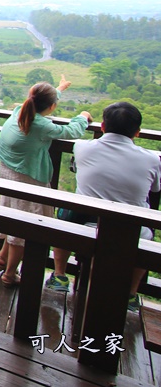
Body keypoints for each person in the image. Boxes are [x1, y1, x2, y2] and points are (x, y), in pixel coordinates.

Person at [45, 102, 161, 311]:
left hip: (81, 223)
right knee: (147, 234)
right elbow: (154, 189)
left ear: (103, 127)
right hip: (130, 230)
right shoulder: (152, 159)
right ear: (137, 132)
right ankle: (131, 293)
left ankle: (60, 275)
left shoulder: (82, 147)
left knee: (64, 215)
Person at [0, 75, 92, 286]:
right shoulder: (40, 125)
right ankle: (9, 274)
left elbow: (38, 97)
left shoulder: (20, 111)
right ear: (52, 106)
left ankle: (2, 258)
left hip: (9, 172)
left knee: (13, 215)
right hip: (26, 178)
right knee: (22, 228)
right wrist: (83, 117)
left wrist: (59, 89)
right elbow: (71, 131)